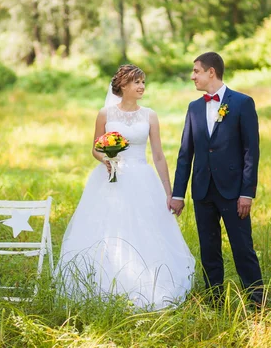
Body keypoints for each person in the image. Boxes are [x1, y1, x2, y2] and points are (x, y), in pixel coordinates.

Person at [57, 64, 195, 310]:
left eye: (143, 82)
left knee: (145, 228)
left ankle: (149, 281)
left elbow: (159, 155)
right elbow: (95, 148)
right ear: (122, 86)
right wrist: (106, 160)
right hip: (111, 179)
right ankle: (105, 283)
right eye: (136, 82)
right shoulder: (105, 114)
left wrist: (169, 191)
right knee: (108, 227)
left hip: (142, 177)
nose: (141, 86)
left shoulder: (150, 115)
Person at [169, 52, 264, 305]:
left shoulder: (243, 103)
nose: (193, 76)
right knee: (209, 250)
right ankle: (214, 301)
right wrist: (178, 194)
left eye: (196, 71)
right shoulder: (194, 108)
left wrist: (247, 193)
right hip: (202, 191)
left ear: (211, 72)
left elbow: (250, 151)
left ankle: (257, 304)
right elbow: (184, 153)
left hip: (233, 192)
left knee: (243, 249)